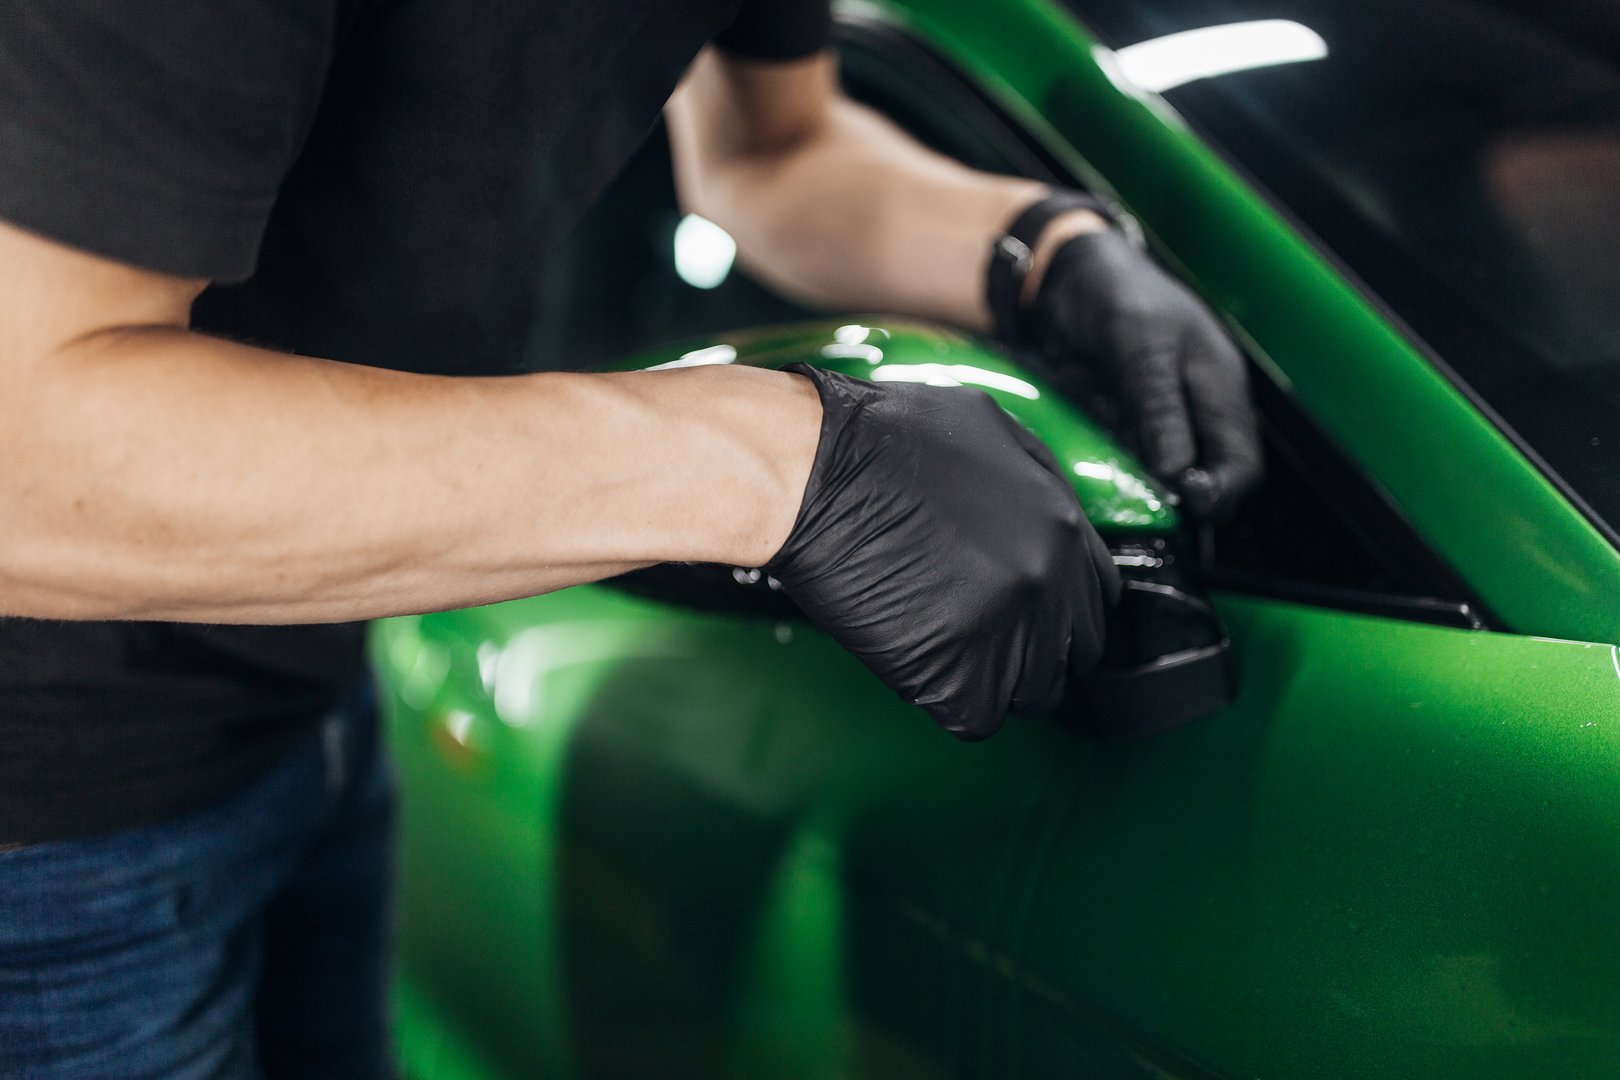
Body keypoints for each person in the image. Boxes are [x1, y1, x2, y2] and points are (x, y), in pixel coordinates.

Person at [0, 0, 1259, 1075]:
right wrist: (771, 464)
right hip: (45, 827)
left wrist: (1041, 251)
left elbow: (772, 151)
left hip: (297, 684)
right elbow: (31, 461)